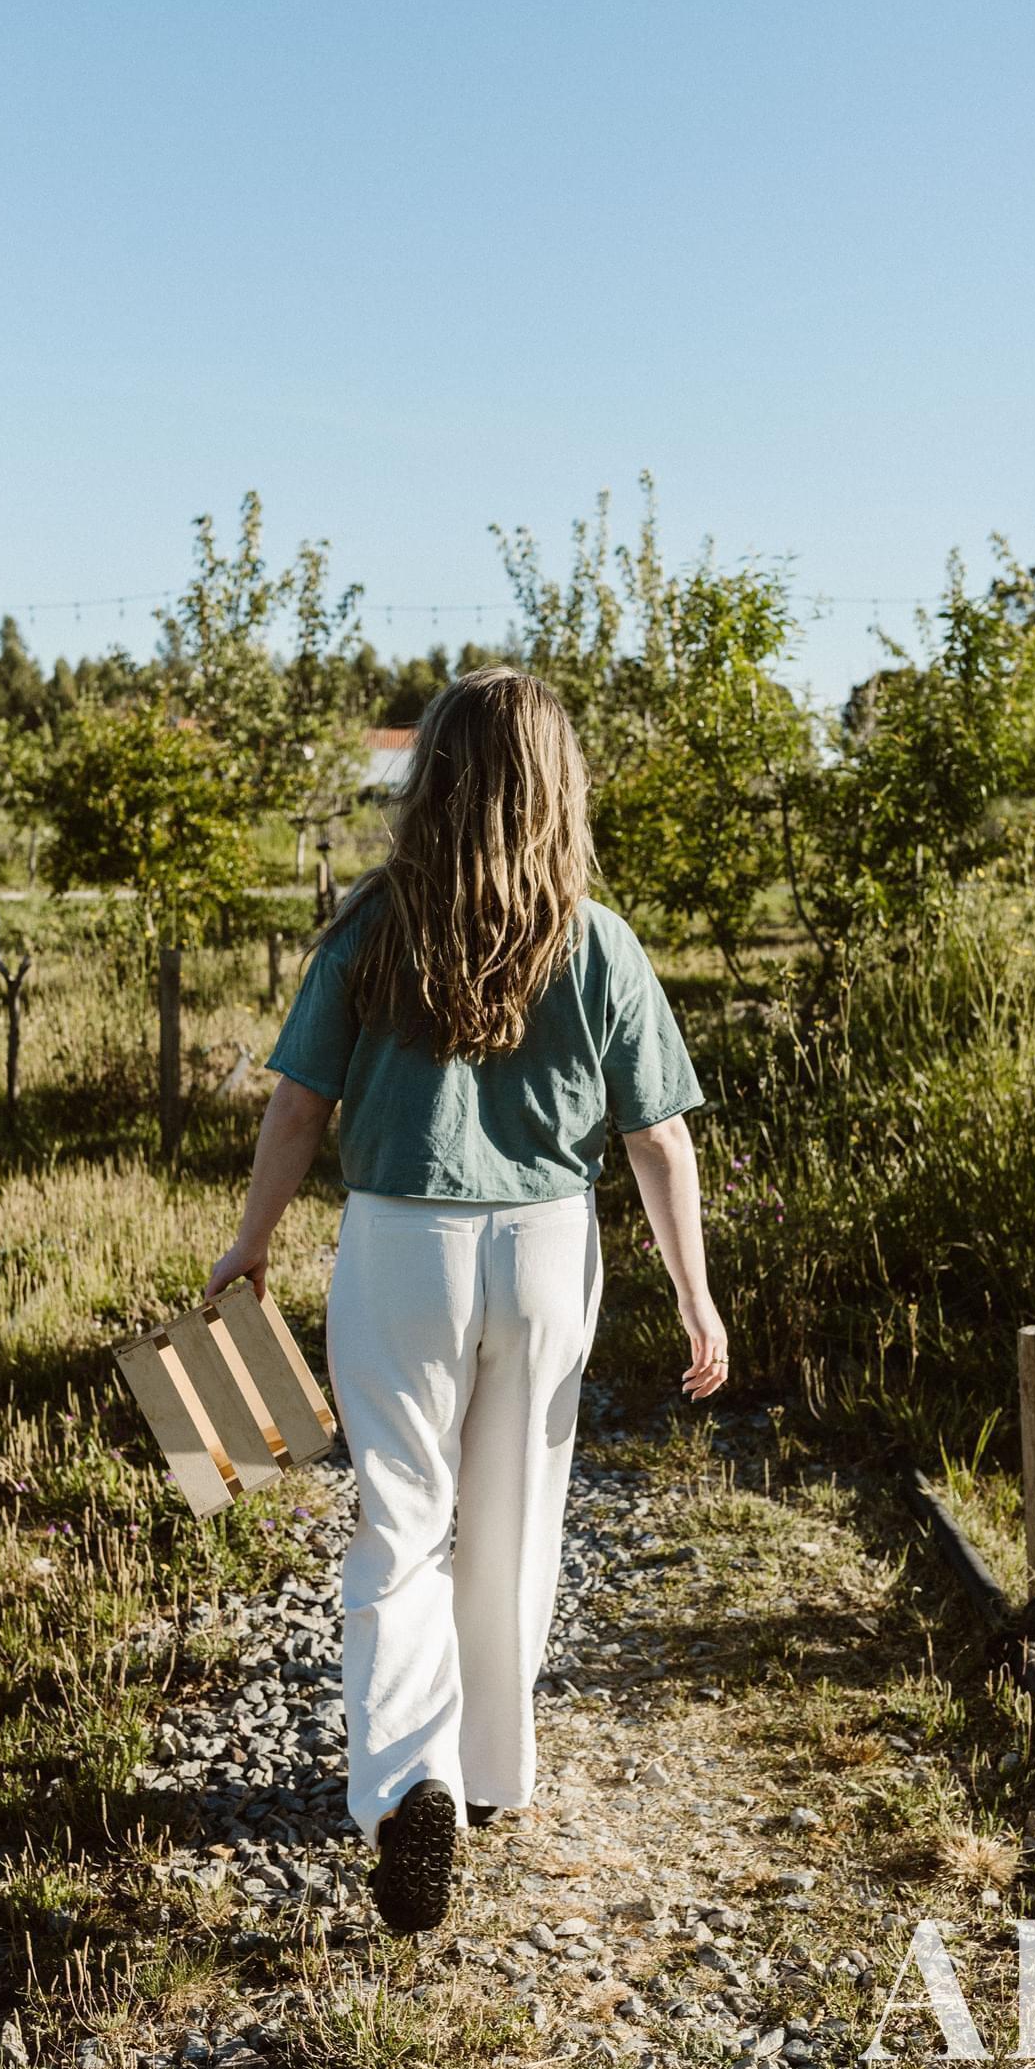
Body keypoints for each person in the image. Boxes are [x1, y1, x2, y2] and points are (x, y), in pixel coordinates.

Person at [204, 666, 728, 1933]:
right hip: (547, 1248)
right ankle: (489, 1770)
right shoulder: (597, 940)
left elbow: (298, 1105)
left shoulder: (370, 927)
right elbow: (657, 1140)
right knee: (516, 1516)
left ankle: (407, 1785)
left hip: (402, 1244)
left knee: (400, 1519)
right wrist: (695, 1294)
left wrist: (250, 1243)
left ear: (430, 778)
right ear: (559, 784)